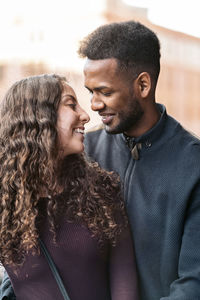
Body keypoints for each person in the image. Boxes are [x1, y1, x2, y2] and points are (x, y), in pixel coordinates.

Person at [77, 21, 200, 299]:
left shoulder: (194, 166)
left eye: (105, 92)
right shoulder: (85, 151)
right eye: (91, 92)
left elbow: (194, 283)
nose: (95, 105)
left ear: (143, 85)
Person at [0, 74, 139, 300]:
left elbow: (125, 287)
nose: (85, 115)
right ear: (39, 117)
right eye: (71, 105)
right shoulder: (5, 201)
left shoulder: (102, 190)